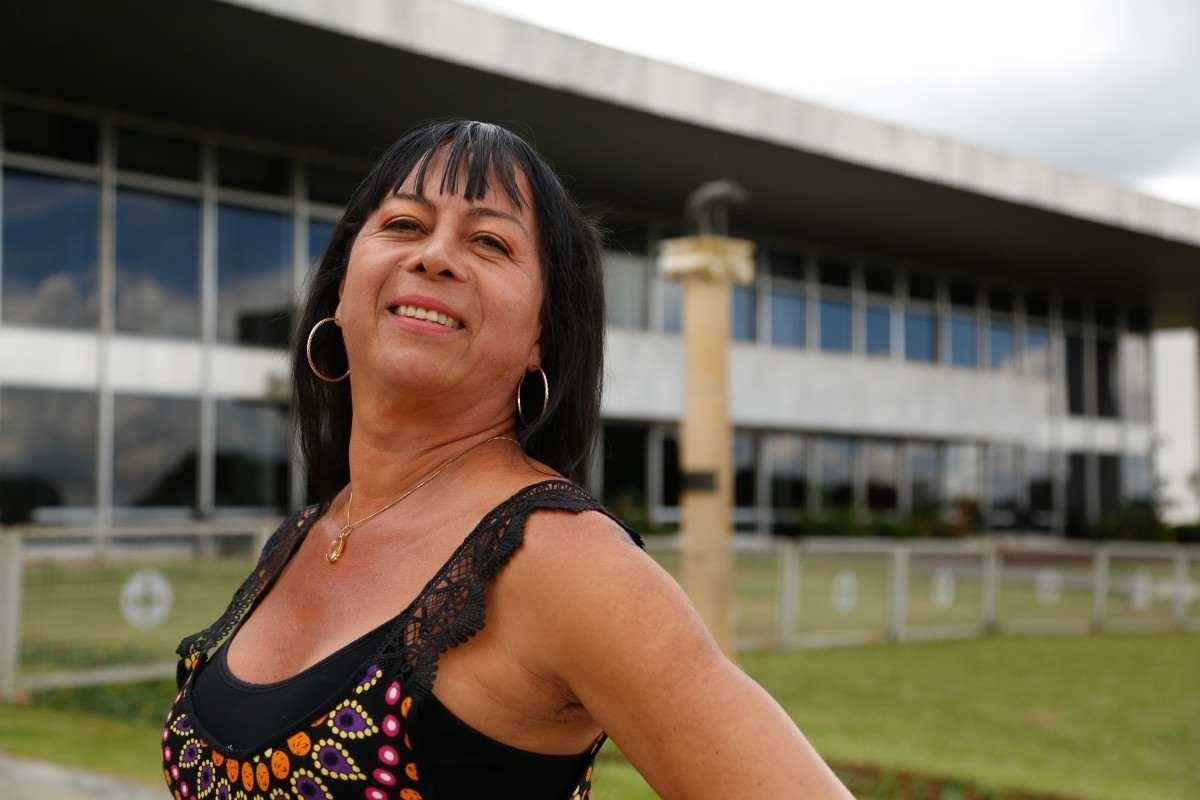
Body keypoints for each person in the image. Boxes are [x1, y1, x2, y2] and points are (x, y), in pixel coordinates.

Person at [161, 120, 853, 799]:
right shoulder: (303, 535)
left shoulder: (563, 563)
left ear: (542, 335)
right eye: (403, 224)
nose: (434, 256)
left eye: (489, 241)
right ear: (341, 288)